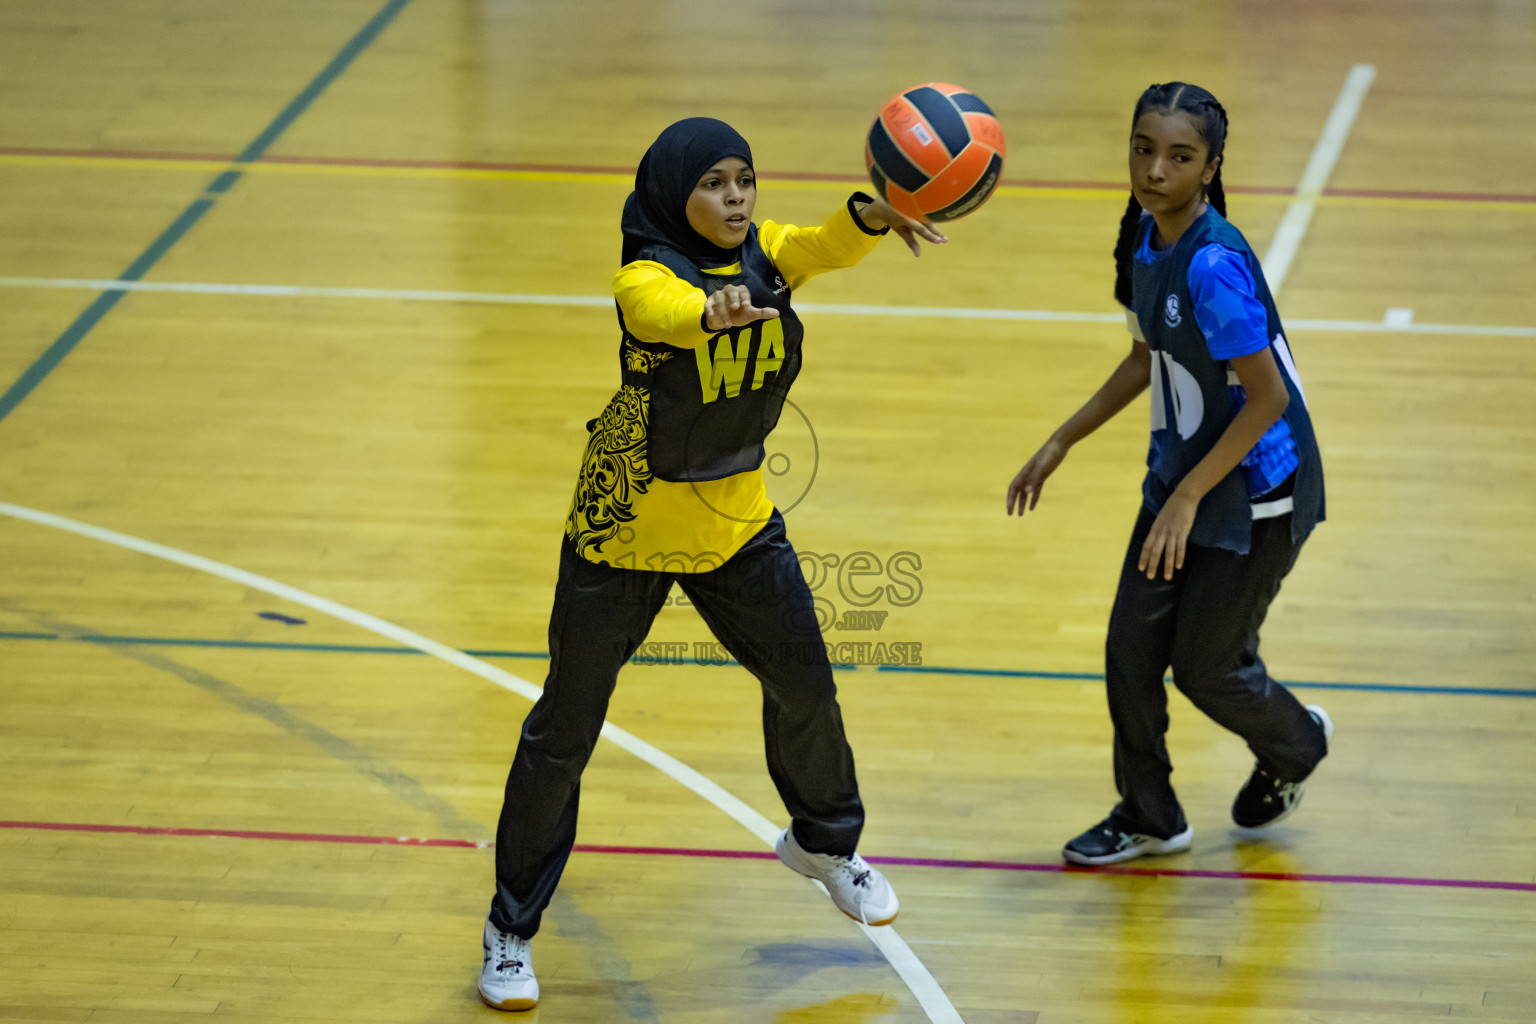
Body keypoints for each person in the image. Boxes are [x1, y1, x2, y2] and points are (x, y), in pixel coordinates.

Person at [478, 116, 946, 1010]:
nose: (735, 199)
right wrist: (710, 310)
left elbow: (821, 243)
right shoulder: (645, 275)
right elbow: (661, 311)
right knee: (565, 732)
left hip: (734, 521)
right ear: (672, 195)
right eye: (713, 184)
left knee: (806, 684)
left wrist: (877, 214)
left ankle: (824, 844)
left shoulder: (767, 255)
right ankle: (509, 929)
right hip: (625, 527)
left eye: (745, 180)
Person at [1005, 83, 1333, 867]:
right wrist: (1062, 441)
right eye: (1143, 150)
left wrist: (1189, 495)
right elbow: (1144, 356)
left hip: (1258, 492)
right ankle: (1150, 814)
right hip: (1184, 477)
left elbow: (1266, 398)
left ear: (1211, 167)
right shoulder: (1143, 239)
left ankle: (1297, 746)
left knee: (1210, 670)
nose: (1155, 170)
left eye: (1179, 157)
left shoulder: (1213, 266)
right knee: (1129, 652)